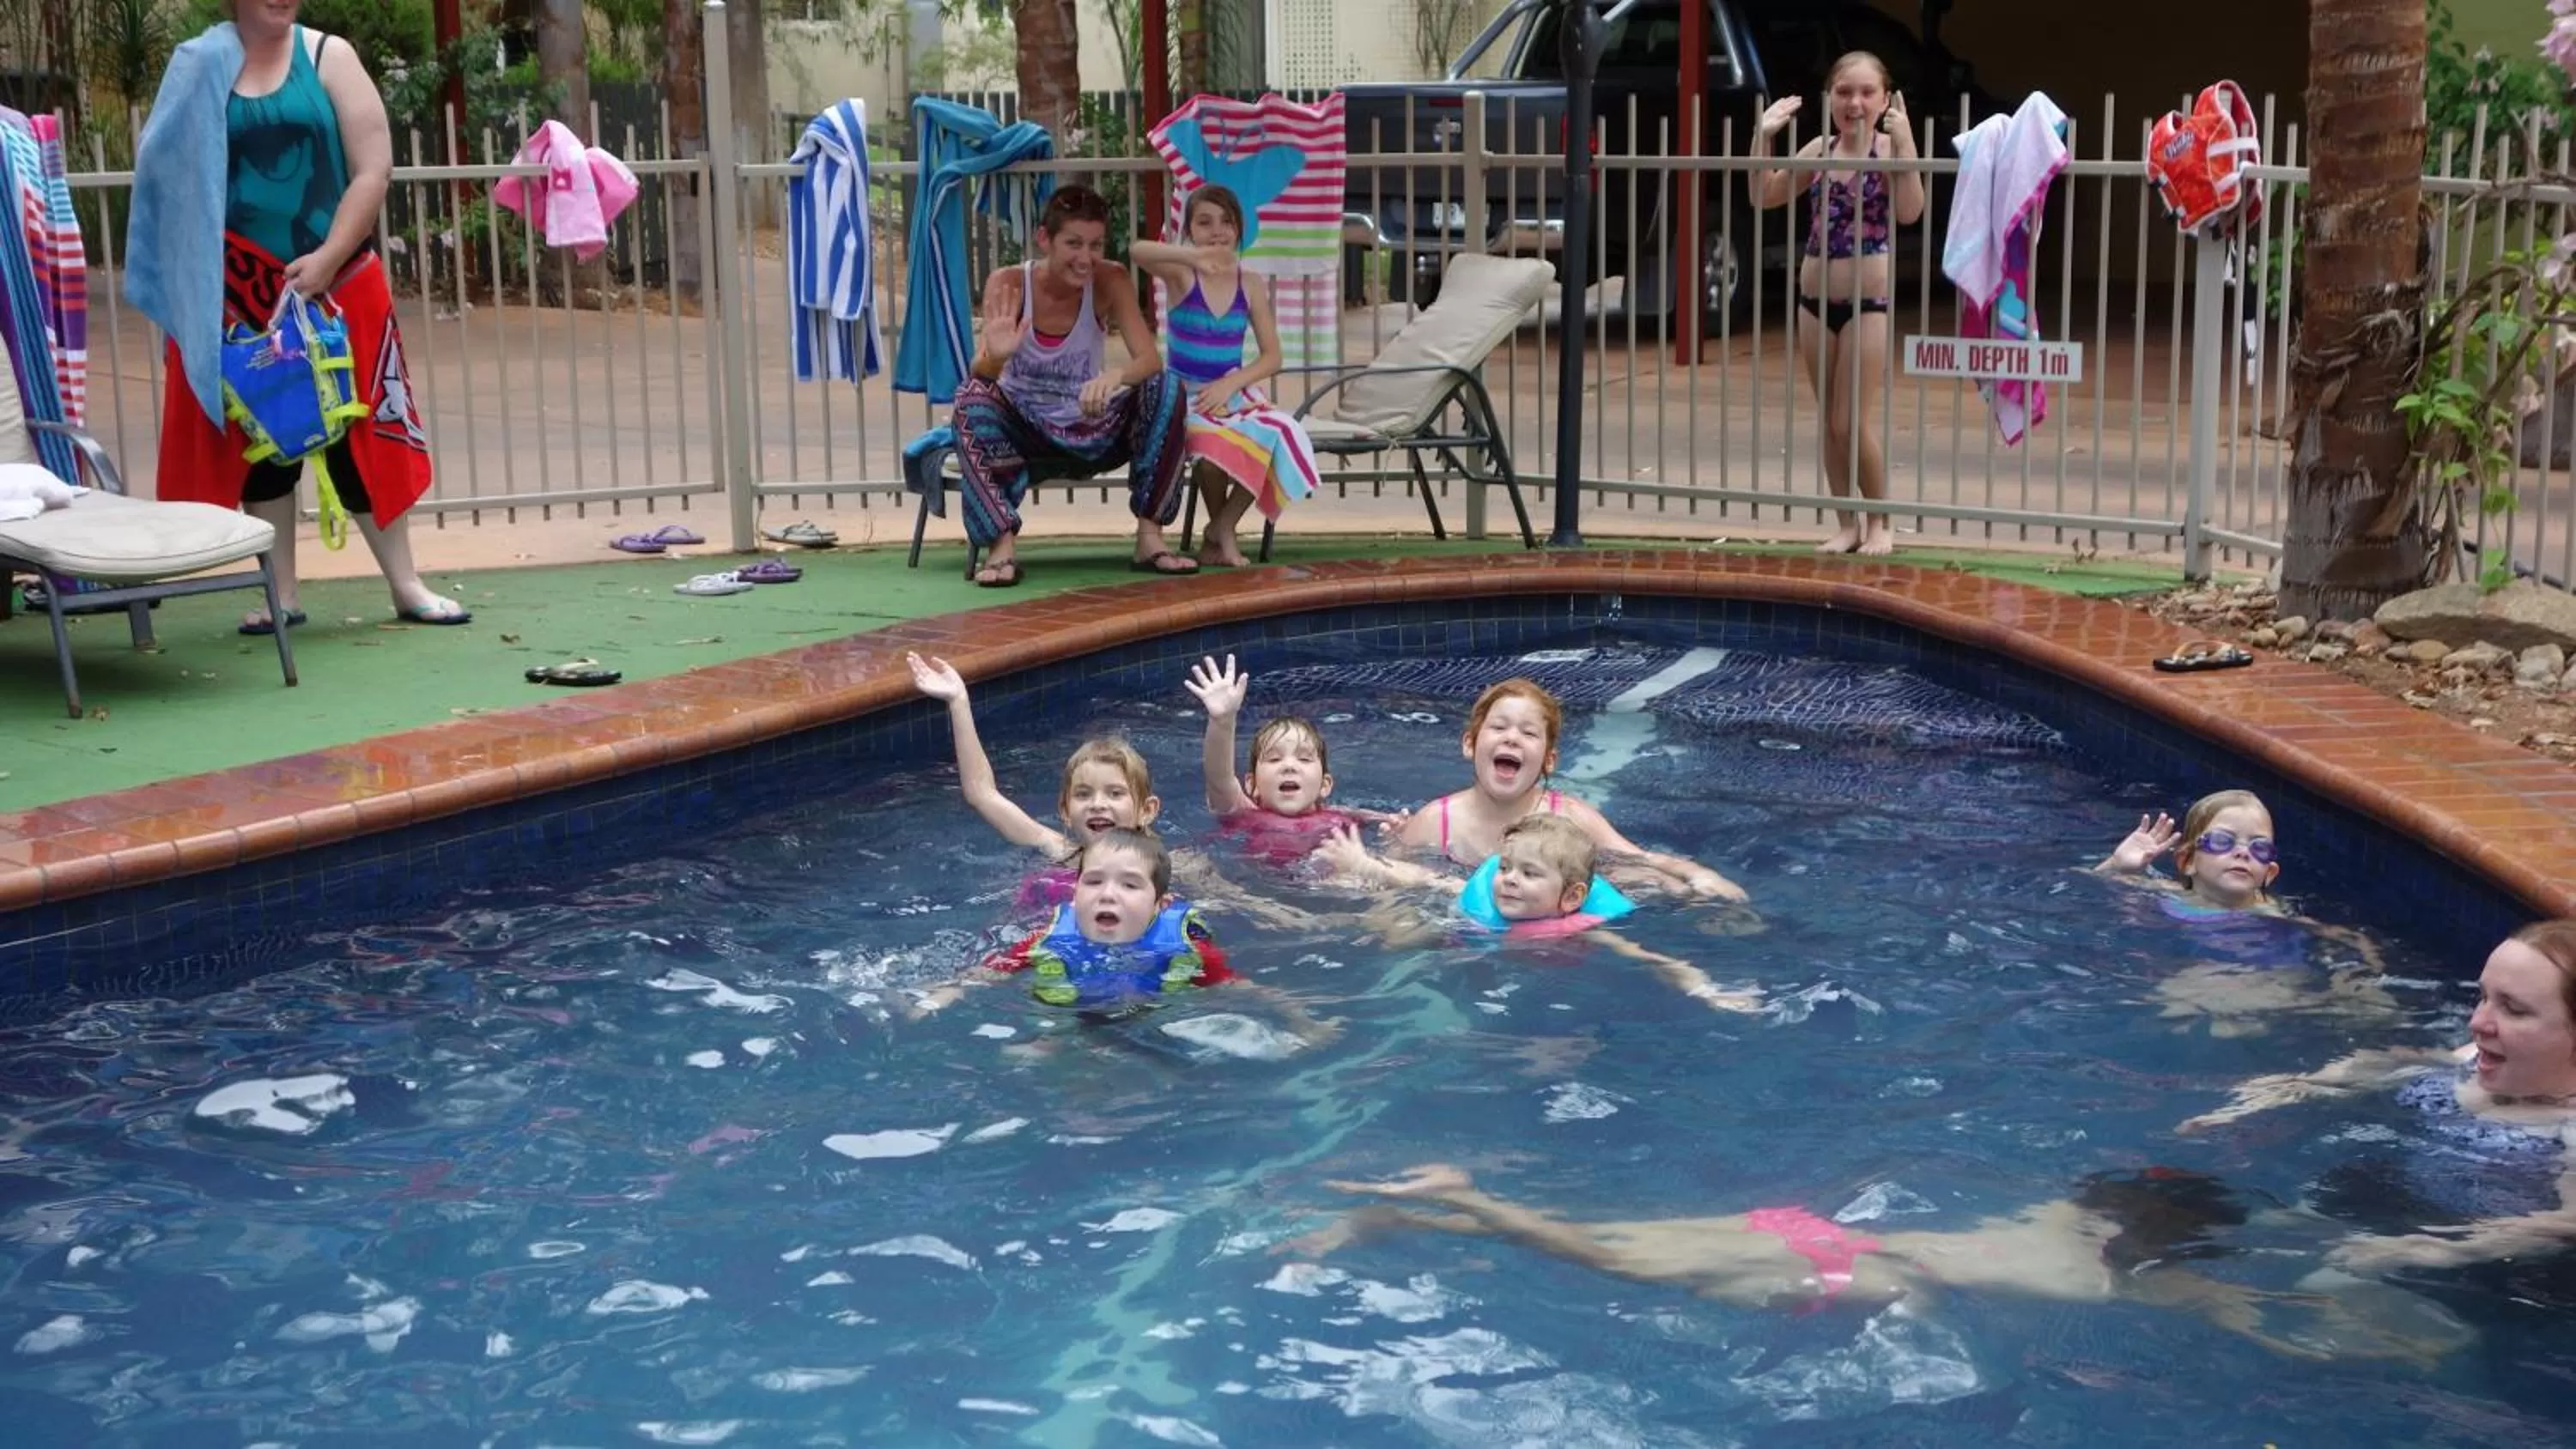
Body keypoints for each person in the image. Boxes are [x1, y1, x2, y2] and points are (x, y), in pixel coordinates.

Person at [1295, 1162, 2468, 1365]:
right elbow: (2250, 1314)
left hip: (1824, 1233)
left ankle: (1422, 1215)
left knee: (1611, 1249)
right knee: (1613, 1263)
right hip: (1868, 1275)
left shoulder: (2062, 1213)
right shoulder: (2124, 1274)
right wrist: (2389, 1338)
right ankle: (1461, 1202)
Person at [128, 0, 469, 634]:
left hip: (341, 284)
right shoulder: (200, 66)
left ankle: (406, 585)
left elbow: (373, 170)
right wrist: (190, 284)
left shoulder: (329, 56)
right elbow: (165, 173)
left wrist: (328, 257)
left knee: (361, 435)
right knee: (263, 441)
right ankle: (280, 594)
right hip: (238, 296)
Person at [2179, 921, 2576, 1277]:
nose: (2478, 1023)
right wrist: (2283, 1090)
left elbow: (2562, 1224)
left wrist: (2433, 1250)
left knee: (2310, 1286)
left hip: (2460, 1255)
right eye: (2483, 997)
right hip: (2381, 1190)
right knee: (2205, 1227)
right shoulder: (2477, 1056)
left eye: (2513, 1009)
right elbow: (2389, 1064)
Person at [953, 185, 1195, 587]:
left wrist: (1115, 377)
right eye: (1073, 244)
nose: (1086, 258)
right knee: (971, 398)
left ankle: (1150, 537)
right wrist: (996, 355)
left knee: (1166, 387)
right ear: (1044, 239)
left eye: (1095, 245)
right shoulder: (1009, 283)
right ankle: (1001, 545)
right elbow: (981, 373)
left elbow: (1149, 360)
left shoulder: (1111, 279)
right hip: (1024, 434)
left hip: (1091, 426)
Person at [1750, 52, 1926, 557]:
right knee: (1830, 421)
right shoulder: (1820, 149)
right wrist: (1763, 136)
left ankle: (1881, 521)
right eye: (1845, 92)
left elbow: (1910, 211)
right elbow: (1764, 194)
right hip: (1813, 304)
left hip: (1867, 305)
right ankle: (1847, 524)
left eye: (1867, 92)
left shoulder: (1887, 150)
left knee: (1850, 421)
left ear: (1885, 100)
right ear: (1831, 99)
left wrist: (1906, 143)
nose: (1855, 103)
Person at [1319, 815, 1764, 1013]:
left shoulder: (1582, 928)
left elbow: (1654, 960)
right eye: (1506, 868)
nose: (1509, 880)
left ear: (1570, 898)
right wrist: (1366, 866)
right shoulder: (1480, 898)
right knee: (1395, 941)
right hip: (1459, 943)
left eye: (1530, 874)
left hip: (1534, 980)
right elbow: (1423, 878)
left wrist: (1705, 988)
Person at [1392, 678, 1747, 900]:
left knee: (1656, 882)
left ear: (1549, 761)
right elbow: (1389, 882)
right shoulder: (1436, 821)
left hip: (1550, 934)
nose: (1512, 738)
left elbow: (1640, 859)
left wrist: (1697, 875)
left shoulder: (1569, 817)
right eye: (1499, 727)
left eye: (1529, 733)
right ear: (1470, 744)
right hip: (1460, 929)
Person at [2099, 789, 2391, 1034]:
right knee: (2180, 999)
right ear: (2187, 862)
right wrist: (2118, 865)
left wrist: (2361, 972)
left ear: (2269, 874)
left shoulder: (2270, 914)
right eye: (2222, 842)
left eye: (2259, 848)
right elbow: (2099, 883)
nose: (2243, 853)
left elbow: (2346, 938)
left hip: (2266, 978)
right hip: (2206, 977)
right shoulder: (2167, 894)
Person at [1128, 186, 1316, 568]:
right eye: (1204, 223)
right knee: (1211, 453)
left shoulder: (1249, 283)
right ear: (1189, 231)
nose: (1217, 231)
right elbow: (1137, 251)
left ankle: (1221, 527)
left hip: (1231, 393)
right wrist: (1193, 255)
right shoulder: (1182, 275)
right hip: (1186, 398)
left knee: (1283, 434)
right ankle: (1220, 537)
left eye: (1226, 222)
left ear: (1239, 229)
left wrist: (1231, 383)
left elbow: (1273, 356)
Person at [1184, 654, 1387, 866]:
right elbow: (1219, 778)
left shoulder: (1340, 818)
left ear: (1325, 785)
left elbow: (1381, 826)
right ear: (1252, 784)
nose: (1289, 766)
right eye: (1274, 759)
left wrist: (1394, 825)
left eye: (1304, 759)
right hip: (1251, 885)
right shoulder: (1244, 813)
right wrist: (1223, 721)